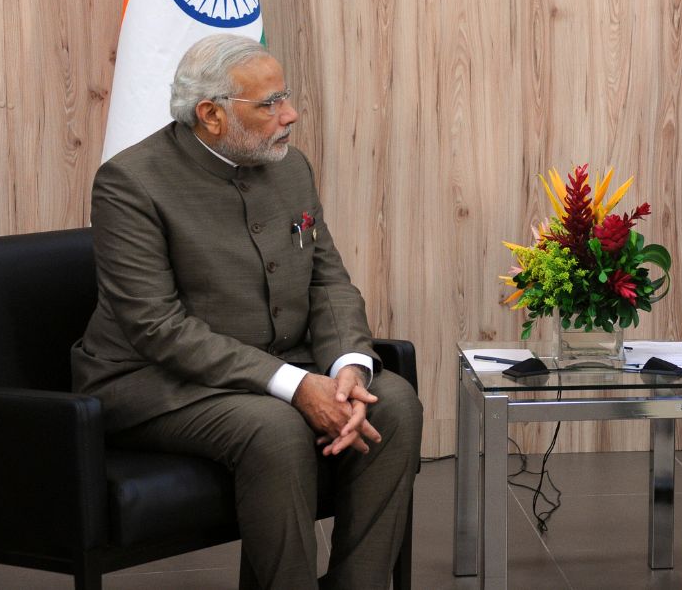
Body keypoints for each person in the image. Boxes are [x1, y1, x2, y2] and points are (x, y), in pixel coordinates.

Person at [71, 34, 422, 589]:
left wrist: (347, 368)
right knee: (273, 428)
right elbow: (156, 327)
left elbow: (327, 279)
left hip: (272, 363)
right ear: (211, 114)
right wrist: (296, 386)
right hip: (153, 379)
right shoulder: (131, 182)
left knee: (393, 402)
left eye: (286, 96)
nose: (291, 114)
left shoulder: (290, 167)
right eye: (269, 103)